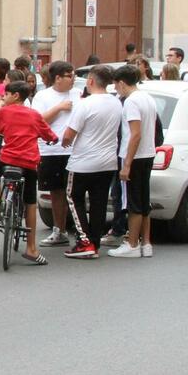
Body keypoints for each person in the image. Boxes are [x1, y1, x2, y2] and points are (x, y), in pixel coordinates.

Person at [0, 81, 56, 265]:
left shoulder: (4, 112)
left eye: (6, 94)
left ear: (15, 95)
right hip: (29, 163)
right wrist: (53, 139)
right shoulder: (35, 115)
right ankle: (31, 248)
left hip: (7, 160)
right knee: (30, 202)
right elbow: (48, 134)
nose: (4, 97)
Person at [60, 65, 123, 259]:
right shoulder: (116, 103)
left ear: (91, 81)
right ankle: (94, 242)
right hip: (107, 161)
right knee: (99, 203)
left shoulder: (85, 104)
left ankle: (84, 241)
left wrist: (65, 142)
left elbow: (69, 133)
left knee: (73, 198)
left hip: (83, 161)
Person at [109, 65, 157, 259]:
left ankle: (132, 243)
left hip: (134, 156)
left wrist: (127, 164)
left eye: (116, 84)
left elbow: (135, 134)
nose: (116, 88)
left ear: (121, 83)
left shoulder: (131, 102)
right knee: (144, 201)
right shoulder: (148, 98)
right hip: (147, 154)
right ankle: (146, 243)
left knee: (133, 202)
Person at [30, 61, 77, 245]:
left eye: (73, 75)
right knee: (56, 192)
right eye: (69, 75)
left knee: (74, 193)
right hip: (51, 150)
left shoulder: (78, 94)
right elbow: (38, 121)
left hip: (75, 150)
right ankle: (59, 230)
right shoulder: (42, 96)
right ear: (57, 78)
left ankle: (80, 232)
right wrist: (59, 108)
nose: (73, 79)